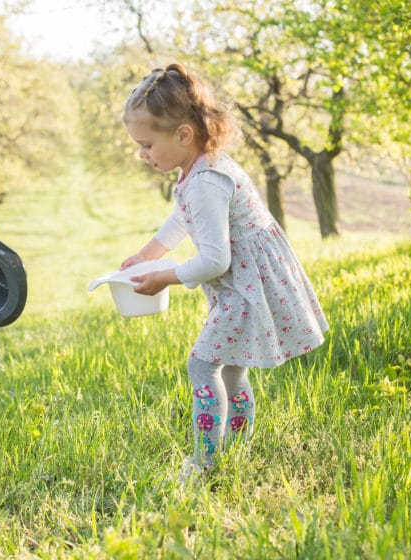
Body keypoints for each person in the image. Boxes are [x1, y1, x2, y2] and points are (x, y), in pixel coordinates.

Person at [119, 64, 329, 480]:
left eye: (146, 145)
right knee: (232, 367)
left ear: (183, 134)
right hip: (245, 284)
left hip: (244, 287)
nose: (142, 155)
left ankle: (206, 462)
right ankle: (236, 450)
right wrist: (148, 253)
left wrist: (165, 276)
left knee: (202, 366)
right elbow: (183, 220)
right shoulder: (198, 168)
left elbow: (216, 260)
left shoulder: (206, 181)